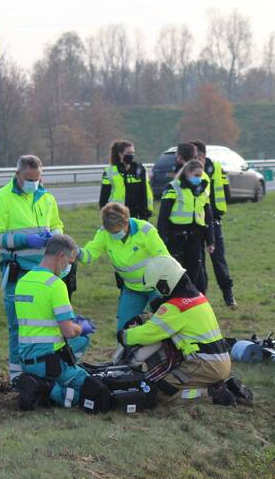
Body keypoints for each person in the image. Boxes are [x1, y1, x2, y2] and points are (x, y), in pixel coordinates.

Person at [0, 155, 64, 383]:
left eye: (38, 179)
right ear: (18, 174)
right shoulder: (2, 199)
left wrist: (55, 236)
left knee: (47, 323)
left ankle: (45, 370)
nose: (34, 183)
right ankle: (17, 376)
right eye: (29, 179)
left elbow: (58, 224)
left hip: (45, 272)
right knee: (18, 325)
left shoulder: (46, 197)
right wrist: (25, 239)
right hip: (18, 271)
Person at [121, 256, 231, 395]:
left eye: (158, 286)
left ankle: (211, 394)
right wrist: (142, 318)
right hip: (219, 361)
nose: (159, 292)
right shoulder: (197, 297)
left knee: (161, 392)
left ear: (166, 280)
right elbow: (168, 320)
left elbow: (149, 333)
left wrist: (124, 336)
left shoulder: (176, 307)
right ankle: (218, 386)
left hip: (204, 365)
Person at [13, 234, 96, 407]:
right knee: (93, 391)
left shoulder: (23, 281)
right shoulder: (56, 285)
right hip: (49, 362)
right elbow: (68, 332)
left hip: (27, 359)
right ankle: (49, 390)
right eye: (70, 262)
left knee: (81, 341)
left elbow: (41, 319)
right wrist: (82, 327)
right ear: (61, 257)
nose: (69, 267)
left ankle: (41, 384)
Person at [79, 202, 170, 334]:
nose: (113, 235)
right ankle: (127, 353)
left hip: (156, 287)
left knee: (162, 326)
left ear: (126, 221)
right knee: (124, 329)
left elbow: (165, 259)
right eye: (111, 232)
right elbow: (90, 254)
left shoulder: (145, 230)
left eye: (116, 231)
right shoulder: (104, 232)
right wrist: (76, 252)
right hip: (132, 289)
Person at [158, 149, 214, 294]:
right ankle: (175, 298)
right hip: (176, 235)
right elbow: (163, 216)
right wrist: (162, 238)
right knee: (176, 270)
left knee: (194, 270)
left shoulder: (203, 191)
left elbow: (208, 218)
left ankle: (192, 299)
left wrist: (210, 241)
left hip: (196, 236)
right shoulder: (173, 188)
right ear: (187, 173)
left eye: (201, 176)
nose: (199, 178)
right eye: (196, 175)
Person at [191, 140, 236, 308]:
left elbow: (226, 192)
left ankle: (228, 296)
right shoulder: (188, 171)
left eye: (194, 154)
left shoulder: (215, 168)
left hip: (213, 221)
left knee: (218, 260)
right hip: (194, 223)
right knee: (198, 262)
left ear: (201, 155)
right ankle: (201, 299)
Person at [99, 140, 153, 221]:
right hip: (117, 214)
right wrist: (107, 215)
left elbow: (146, 192)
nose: (131, 155)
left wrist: (146, 212)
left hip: (137, 214)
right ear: (120, 154)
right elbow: (104, 197)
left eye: (133, 153)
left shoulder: (141, 170)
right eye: (128, 153)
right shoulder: (109, 172)